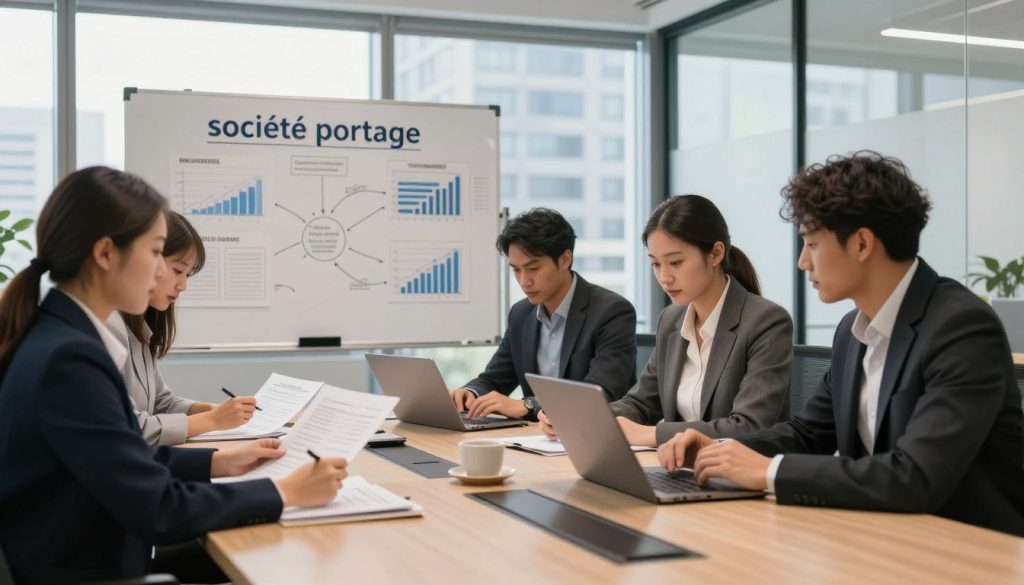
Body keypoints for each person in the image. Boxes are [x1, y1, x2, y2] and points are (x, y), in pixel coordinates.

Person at [0, 167, 347, 584]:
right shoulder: (69, 359)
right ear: (106, 254)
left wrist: (220, 461)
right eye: (155, 252)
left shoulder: (60, 336)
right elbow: (160, 508)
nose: (161, 274)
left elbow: (122, 459)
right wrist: (285, 492)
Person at [658, 152, 1024, 536]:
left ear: (862, 244)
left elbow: (916, 477)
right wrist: (719, 451)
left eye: (812, 244)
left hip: (971, 548)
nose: (803, 262)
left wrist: (766, 470)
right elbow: (808, 434)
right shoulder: (853, 330)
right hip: (882, 537)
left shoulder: (961, 328)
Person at [540, 195, 793, 445]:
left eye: (675, 262)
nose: (664, 278)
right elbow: (640, 404)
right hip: (677, 469)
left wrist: (651, 434)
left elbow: (749, 426)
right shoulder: (671, 319)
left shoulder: (765, 321)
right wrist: (578, 417)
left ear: (715, 254)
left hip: (737, 475)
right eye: (655, 264)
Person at [450, 208, 637, 421]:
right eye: (516, 270)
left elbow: (601, 392)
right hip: (537, 439)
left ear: (565, 259)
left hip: (594, 435)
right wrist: (470, 393)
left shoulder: (612, 311)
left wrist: (529, 405)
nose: (524, 281)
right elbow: (494, 379)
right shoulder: (521, 313)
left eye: (533, 268)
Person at [107, 211, 254, 445]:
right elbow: (126, 427)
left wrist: (214, 410)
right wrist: (213, 420)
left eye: (187, 275)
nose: (183, 285)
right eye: (177, 270)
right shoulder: (107, 324)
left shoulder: (138, 324)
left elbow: (161, 403)